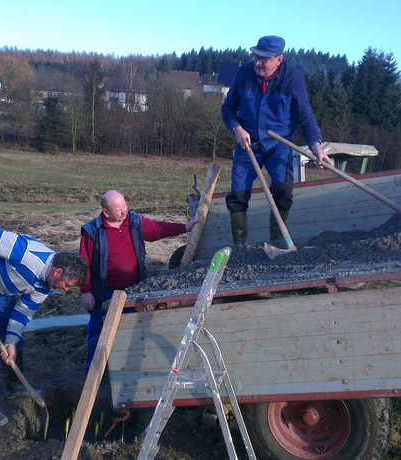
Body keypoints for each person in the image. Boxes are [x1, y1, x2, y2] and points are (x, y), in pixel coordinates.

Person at [0, 225, 88, 427]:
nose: (65, 290)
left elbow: (24, 311)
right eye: (67, 285)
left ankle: (14, 387)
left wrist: (11, 340)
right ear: (58, 272)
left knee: (13, 340)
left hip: (3, 291)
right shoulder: (27, 254)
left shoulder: (46, 284)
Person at [221, 35, 332, 245]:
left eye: (264, 58)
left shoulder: (293, 78)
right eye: (256, 56)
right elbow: (227, 108)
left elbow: (305, 116)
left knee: (283, 190)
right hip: (248, 142)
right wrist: (236, 128)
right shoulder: (244, 73)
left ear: (279, 59)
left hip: (278, 144)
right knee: (238, 193)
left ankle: (276, 243)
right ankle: (240, 247)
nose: (258, 62)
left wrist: (316, 147)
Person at [79, 190, 196, 372]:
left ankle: (129, 370)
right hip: (104, 292)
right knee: (99, 332)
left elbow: (158, 229)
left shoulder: (134, 222)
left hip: (133, 290)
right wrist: (86, 291)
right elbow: (83, 263)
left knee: (134, 329)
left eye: (125, 205)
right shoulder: (92, 232)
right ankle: (94, 373)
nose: (124, 211)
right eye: (118, 209)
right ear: (106, 212)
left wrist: (185, 227)